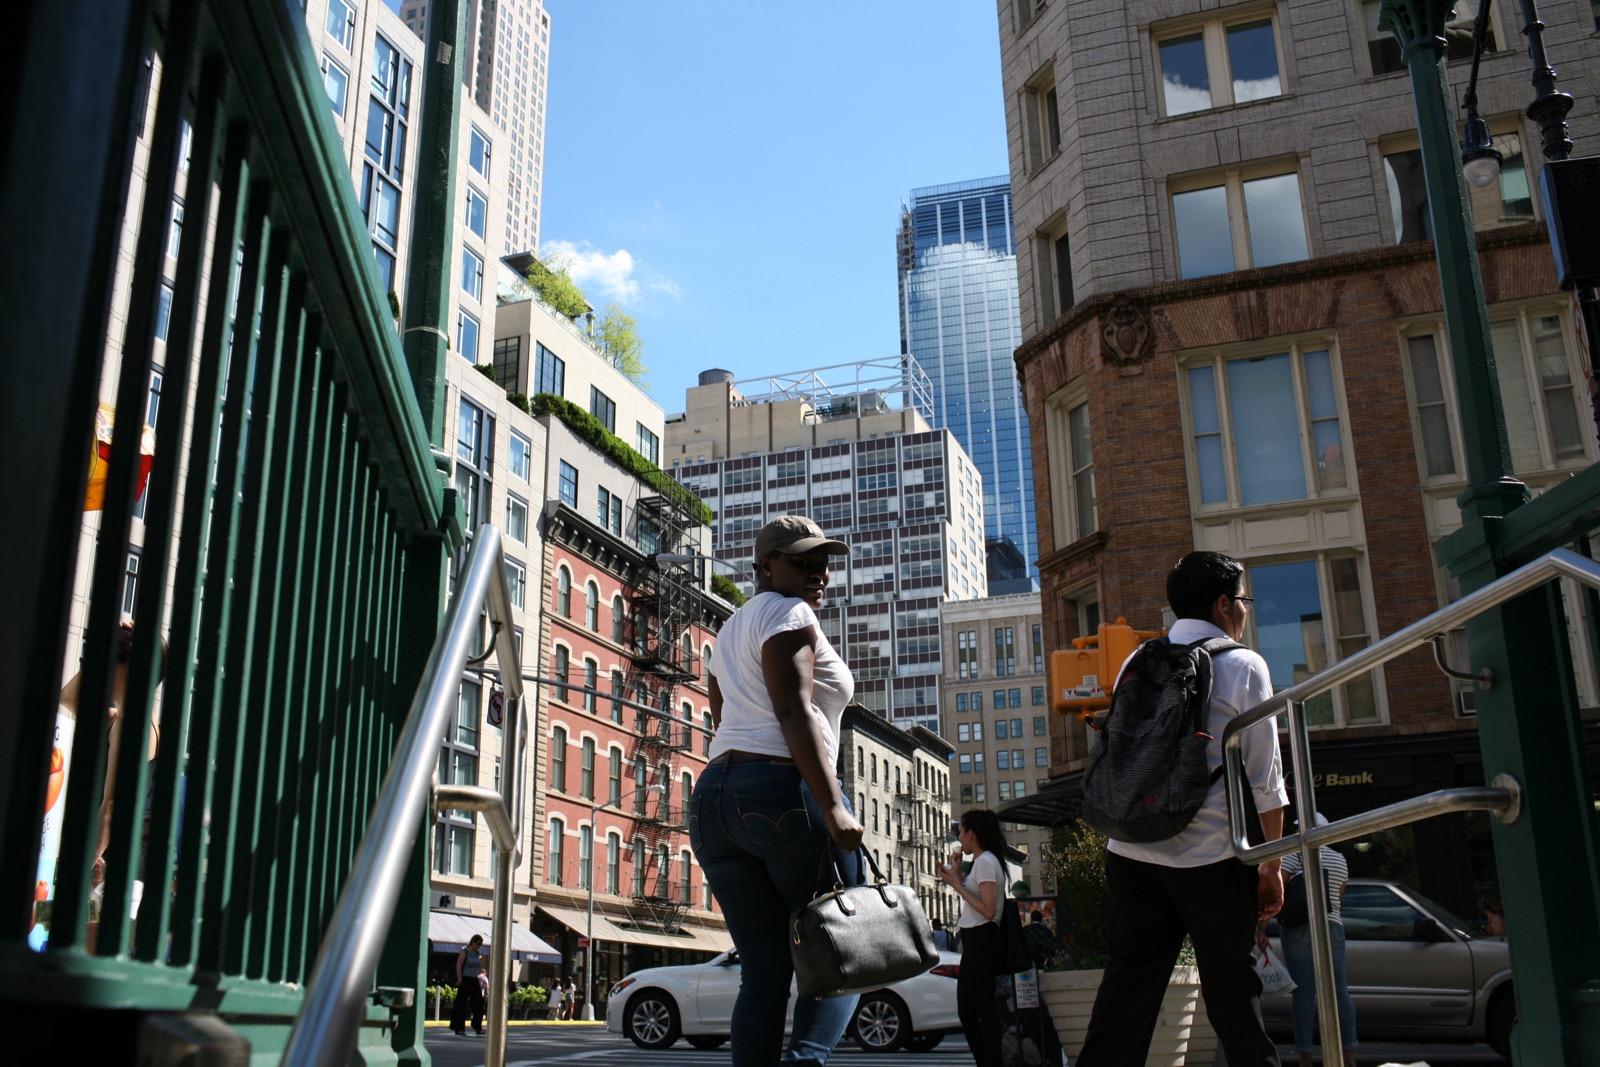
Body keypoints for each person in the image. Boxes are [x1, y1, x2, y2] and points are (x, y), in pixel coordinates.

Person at [1076, 551, 1289, 1067]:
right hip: (1209, 854)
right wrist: (1272, 862)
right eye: (1243, 600)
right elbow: (1265, 776)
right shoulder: (1243, 664)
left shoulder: (1137, 659)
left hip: (1130, 849)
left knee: (1127, 991)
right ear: (1223, 604)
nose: (1245, 611)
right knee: (1232, 991)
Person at [689, 515, 864, 1066]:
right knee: (845, 951)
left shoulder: (726, 632)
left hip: (716, 797)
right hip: (782, 789)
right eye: (803, 561)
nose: (820, 573)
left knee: (764, 972)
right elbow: (793, 709)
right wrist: (832, 803)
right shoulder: (790, 613)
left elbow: (722, 717)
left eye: (824, 562)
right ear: (766, 566)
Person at [1276, 815, 1356, 1067]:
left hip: (1299, 927)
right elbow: (1340, 892)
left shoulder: (1293, 854)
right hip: (1333, 925)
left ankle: (1306, 1057)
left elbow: (1279, 888)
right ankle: (1349, 1056)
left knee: (1304, 993)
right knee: (1339, 991)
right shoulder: (1340, 859)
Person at [939, 809, 1010, 1067]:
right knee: (973, 1010)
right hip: (976, 940)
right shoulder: (983, 861)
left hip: (982, 939)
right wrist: (957, 876)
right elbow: (978, 902)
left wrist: (958, 885)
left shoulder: (985, 862)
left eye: (961, 831)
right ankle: (988, 1061)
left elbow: (988, 910)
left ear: (972, 834)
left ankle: (990, 1062)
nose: (959, 836)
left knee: (977, 1011)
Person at [450, 934, 487, 1036]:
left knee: (479, 1003)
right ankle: (459, 1028)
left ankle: (477, 1026)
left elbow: (478, 967)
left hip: (474, 979)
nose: (479, 946)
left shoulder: (477, 953)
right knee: (461, 1004)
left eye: (481, 944)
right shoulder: (465, 951)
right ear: (473, 942)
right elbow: (459, 965)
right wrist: (459, 978)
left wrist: (481, 974)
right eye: (478, 943)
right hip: (465, 979)